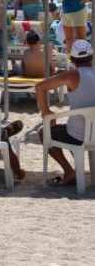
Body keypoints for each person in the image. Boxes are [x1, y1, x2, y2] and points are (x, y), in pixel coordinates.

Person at [36, 39, 95, 187]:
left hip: (77, 135)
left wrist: (46, 111)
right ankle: (79, 169)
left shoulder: (71, 75)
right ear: (92, 56)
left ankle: (69, 172)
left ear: (72, 59)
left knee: (45, 132)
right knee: (76, 130)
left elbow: (40, 87)